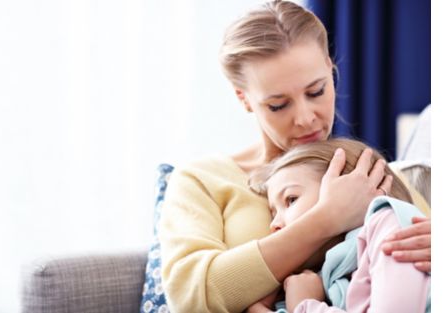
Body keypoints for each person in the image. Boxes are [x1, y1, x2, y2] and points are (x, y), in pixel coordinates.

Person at [158, 1, 431, 312]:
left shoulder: (369, 174)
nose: (304, 118)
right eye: (278, 105)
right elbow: (190, 297)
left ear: (331, 69)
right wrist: (326, 219)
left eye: (316, 92)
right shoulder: (204, 180)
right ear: (244, 98)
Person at [247, 138, 430, 313]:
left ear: (352, 189)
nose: (273, 225)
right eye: (273, 213)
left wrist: (304, 305)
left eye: (291, 199)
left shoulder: (389, 224)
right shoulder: (326, 276)